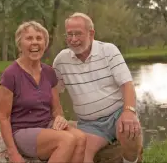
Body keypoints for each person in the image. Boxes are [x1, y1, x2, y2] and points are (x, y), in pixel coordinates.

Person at [52, 12, 143, 163]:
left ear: (91, 33)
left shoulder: (108, 51)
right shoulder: (61, 61)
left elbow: (127, 84)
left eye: (78, 34)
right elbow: (52, 90)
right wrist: (57, 114)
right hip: (90, 124)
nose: (73, 39)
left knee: (130, 132)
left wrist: (129, 111)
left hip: (117, 114)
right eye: (70, 34)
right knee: (80, 155)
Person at [0, 21, 86, 163]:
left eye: (39, 38)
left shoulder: (49, 72)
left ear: (45, 44)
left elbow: (57, 109)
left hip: (47, 126)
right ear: (20, 44)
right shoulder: (10, 74)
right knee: (66, 140)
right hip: (22, 131)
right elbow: (3, 117)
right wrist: (13, 152)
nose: (35, 43)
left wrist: (59, 118)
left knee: (81, 138)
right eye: (29, 38)